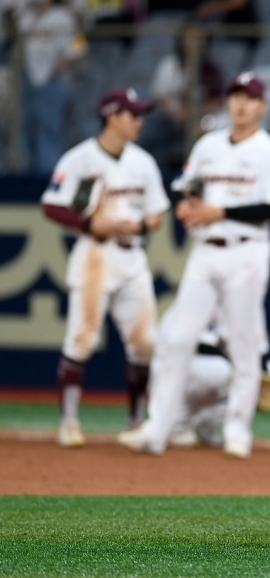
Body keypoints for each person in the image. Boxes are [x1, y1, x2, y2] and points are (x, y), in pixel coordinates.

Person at [118, 72, 270, 458]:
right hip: (205, 251)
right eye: (235, 96)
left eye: (249, 98)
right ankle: (157, 429)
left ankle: (237, 429)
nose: (241, 104)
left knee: (243, 342)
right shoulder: (209, 144)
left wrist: (221, 210)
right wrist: (187, 203)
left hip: (246, 250)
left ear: (262, 106)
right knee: (179, 337)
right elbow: (188, 185)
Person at [41, 87, 170, 447]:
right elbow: (51, 204)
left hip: (131, 255)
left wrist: (142, 226)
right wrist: (87, 224)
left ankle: (134, 421)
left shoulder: (142, 161)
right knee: (81, 338)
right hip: (95, 253)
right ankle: (68, 421)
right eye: (132, 114)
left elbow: (157, 212)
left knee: (144, 344)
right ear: (112, 116)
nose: (139, 121)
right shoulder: (80, 158)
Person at [153, 306, 270, 448]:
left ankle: (205, 423)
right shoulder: (203, 297)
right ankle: (179, 422)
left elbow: (261, 352)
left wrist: (261, 377)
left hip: (216, 365)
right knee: (220, 371)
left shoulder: (249, 303)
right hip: (171, 371)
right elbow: (202, 347)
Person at [139, 23, 223, 168]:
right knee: (154, 126)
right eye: (189, 38)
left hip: (199, 119)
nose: (194, 43)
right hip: (171, 117)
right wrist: (177, 112)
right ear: (181, 40)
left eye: (199, 39)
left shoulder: (211, 70)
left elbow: (217, 101)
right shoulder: (170, 64)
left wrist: (194, 112)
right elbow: (160, 98)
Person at [18, 0, 86, 173]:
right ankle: (26, 180)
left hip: (53, 80)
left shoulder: (62, 16)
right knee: (26, 132)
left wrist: (58, 67)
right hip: (27, 80)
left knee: (50, 131)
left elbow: (79, 47)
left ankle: (49, 178)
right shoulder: (25, 17)